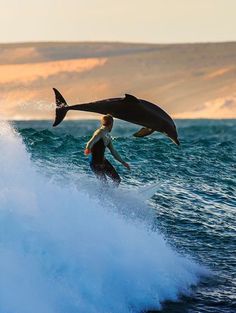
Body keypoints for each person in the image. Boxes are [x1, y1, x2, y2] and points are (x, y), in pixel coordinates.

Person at [84, 114, 130, 186]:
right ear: (111, 124)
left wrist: (123, 162)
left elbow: (113, 151)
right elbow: (90, 142)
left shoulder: (108, 136)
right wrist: (88, 148)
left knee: (117, 180)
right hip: (95, 163)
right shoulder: (100, 132)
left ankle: (111, 194)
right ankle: (101, 197)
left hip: (103, 162)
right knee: (104, 184)